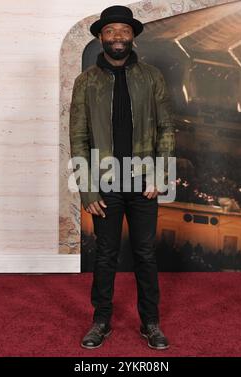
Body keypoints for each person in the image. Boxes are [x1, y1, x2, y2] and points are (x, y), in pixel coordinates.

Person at [69, 5, 175, 350]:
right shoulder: (85, 82)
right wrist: (86, 190)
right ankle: (100, 321)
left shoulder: (151, 77)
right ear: (101, 37)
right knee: (105, 255)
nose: (117, 36)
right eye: (111, 31)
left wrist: (161, 174)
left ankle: (151, 323)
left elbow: (166, 129)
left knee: (145, 253)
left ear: (132, 36)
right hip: (104, 182)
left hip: (144, 181)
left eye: (124, 31)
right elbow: (79, 138)